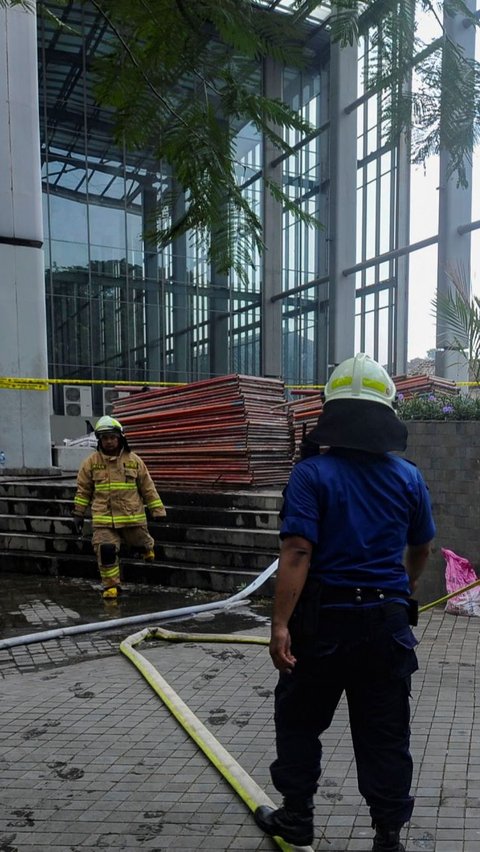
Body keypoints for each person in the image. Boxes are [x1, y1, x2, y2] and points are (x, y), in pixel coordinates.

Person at [254, 353, 435, 852]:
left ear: (331, 410)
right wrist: (404, 587)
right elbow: (421, 548)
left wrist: (280, 626)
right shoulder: (408, 477)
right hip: (386, 624)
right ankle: (387, 835)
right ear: (386, 413)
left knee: (299, 722)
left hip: (323, 624)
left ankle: (297, 817)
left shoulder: (311, 475)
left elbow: (297, 551)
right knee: (385, 733)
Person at [71, 415, 166, 600]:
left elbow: (147, 487)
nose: (109, 441)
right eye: (105, 438)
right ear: (100, 440)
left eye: (112, 437)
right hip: (103, 518)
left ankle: (147, 548)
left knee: (140, 543)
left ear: (120, 438)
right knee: (105, 550)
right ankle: (111, 586)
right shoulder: (90, 463)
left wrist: (157, 510)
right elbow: (83, 491)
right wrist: (78, 513)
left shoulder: (134, 461)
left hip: (132, 517)